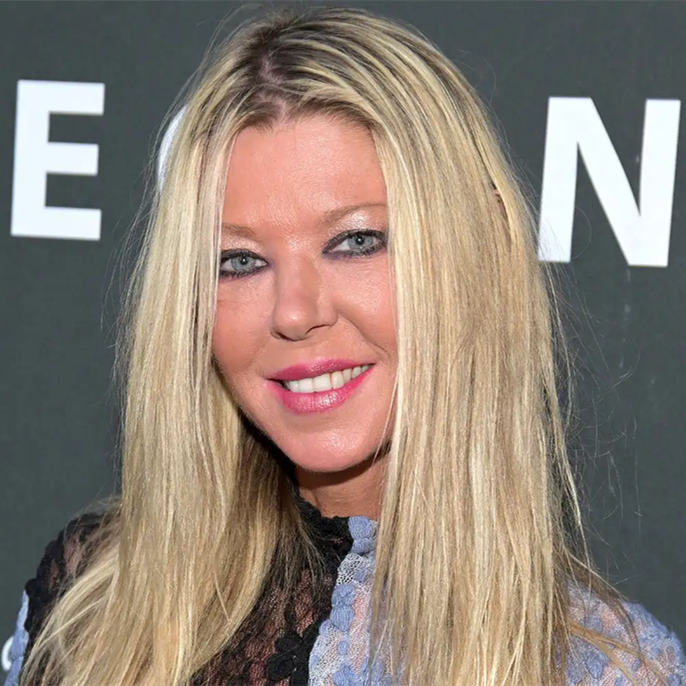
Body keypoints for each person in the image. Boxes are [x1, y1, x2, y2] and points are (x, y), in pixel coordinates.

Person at [5, 6, 685, 686]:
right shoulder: (93, 609)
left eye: (356, 241)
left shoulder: (606, 670)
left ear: (470, 258)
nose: (295, 313)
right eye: (239, 261)